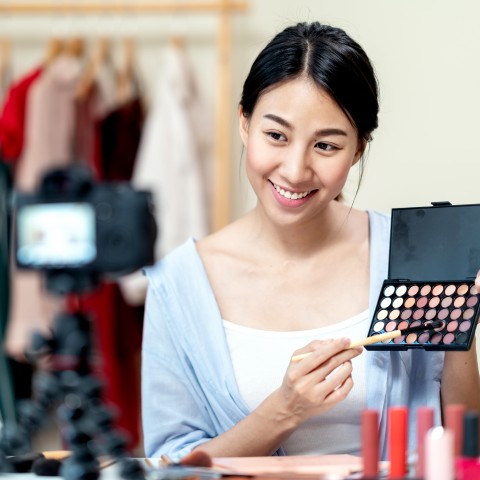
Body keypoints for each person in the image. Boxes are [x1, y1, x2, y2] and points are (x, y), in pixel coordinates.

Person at [141, 21, 480, 460]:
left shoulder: (407, 257)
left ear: (358, 149)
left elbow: (464, 448)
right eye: (276, 136)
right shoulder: (179, 283)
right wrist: (284, 410)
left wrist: (462, 327)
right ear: (244, 123)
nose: (296, 170)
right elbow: (170, 466)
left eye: (326, 146)